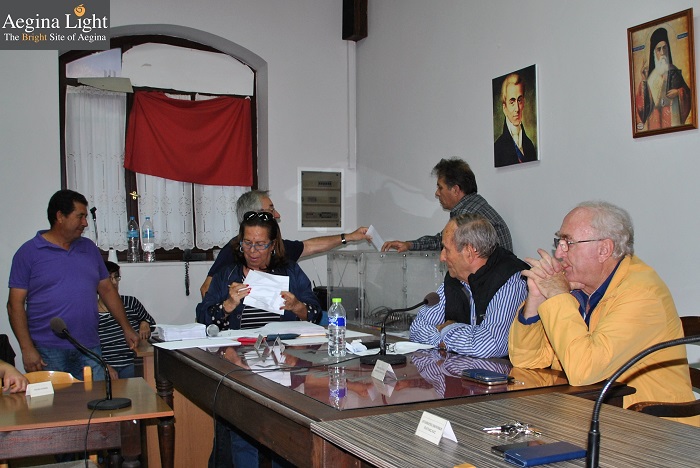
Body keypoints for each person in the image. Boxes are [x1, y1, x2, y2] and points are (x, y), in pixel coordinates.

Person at [509, 201, 698, 425]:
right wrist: (536, 299)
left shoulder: (641, 294)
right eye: (559, 242)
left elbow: (584, 371)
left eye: (569, 243)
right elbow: (527, 360)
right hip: (591, 415)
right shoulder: (578, 288)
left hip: (654, 427)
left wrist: (558, 296)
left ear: (604, 250)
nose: (559, 252)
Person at [197, 210, 321, 468]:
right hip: (239, 363)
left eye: (260, 244)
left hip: (284, 363)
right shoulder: (228, 274)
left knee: (285, 434)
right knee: (243, 432)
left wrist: (297, 306)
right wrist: (228, 305)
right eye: (247, 243)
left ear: (273, 245)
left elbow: (315, 312)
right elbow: (203, 317)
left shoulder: (290, 272)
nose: (252, 251)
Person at [7, 189, 139, 380]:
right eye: (80, 216)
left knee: (97, 397)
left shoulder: (89, 249)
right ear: (60, 216)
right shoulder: (29, 252)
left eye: (85, 217)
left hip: (89, 347)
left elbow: (107, 291)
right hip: (47, 350)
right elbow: (14, 305)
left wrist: (126, 328)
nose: (85, 223)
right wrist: (26, 348)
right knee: (56, 400)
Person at [200, 190, 370, 297]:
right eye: (271, 209)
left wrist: (349, 237)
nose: (277, 214)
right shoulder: (234, 249)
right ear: (256, 215)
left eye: (262, 245)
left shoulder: (277, 246)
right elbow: (206, 289)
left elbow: (309, 246)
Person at [410, 213, 527, 357]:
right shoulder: (455, 277)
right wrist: (447, 340)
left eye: (447, 249)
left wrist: (448, 329)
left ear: (469, 252)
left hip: (504, 370)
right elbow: (417, 329)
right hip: (463, 369)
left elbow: (490, 346)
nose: (442, 257)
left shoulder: (511, 279)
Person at [382, 158, 513, 252]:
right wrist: (409, 245)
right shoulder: (474, 205)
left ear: (455, 190)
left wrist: (410, 245)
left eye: (440, 187)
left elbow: (444, 242)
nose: (437, 193)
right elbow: (444, 240)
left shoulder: (468, 214)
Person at [99, 261, 155, 379]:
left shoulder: (130, 302)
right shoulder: (91, 311)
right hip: (105, 364)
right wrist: (105, 366)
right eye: (109, 278)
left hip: (132, 361)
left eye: (116, 277)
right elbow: (87, 346)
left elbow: (151, 323)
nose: (114, 282)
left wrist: (145, 322)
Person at [635, 27, 692, 131]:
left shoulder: (674, 71)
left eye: (664, 48)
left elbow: (689, 95)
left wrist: (678, 92)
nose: (662, 52)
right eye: (659, 49)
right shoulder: (651, 77)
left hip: (673, 120)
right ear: (654, 53)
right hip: (655, 124)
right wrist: (644, 81)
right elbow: (642, 108)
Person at [494, 73, 537, 167]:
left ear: (524, 103)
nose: (517, 109)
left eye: (519, 100)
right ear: (504, 108)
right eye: (512, 102)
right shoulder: (497, 148)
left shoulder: (529, 145)